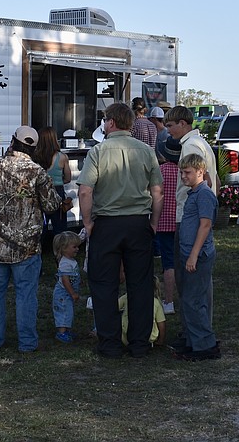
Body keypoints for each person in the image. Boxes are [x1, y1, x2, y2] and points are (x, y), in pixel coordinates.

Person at [77, 102, 163, 359]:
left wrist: (88, 222)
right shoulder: (147, 151)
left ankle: (110, 343)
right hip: (138, 222)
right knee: (141, 285)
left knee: (104, 285)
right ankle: (139, 343)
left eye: (104, 120)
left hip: (107, 223)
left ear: (111, 122)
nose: (104, 125)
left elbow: (85, 190)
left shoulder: (98, 152)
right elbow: (157, 190)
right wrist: (154, 223)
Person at [0, 126, 61, 353]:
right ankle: (27, 344)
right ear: (33, 149)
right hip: (27, 246)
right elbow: (52, 206)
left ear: (12, 142)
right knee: (26, 295)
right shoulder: (37, 172)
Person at [162, 105, 219, 329]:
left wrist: (187, 213)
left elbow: (193, 183)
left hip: (190, 215)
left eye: (170, 126)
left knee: (188, 277)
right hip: (199, 212)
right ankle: (201, 326)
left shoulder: (191, 146)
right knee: (201, 279)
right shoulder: (202, 143)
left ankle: (193, 330)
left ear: (183, 124)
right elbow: (213, 180)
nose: (168, 131)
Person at [171, 153, 220, 361]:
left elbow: (205, 225)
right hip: (190, 253)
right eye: (182, 172)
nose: (183, 176)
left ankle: (205, 345)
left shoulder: (204, 195)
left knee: (194, 300)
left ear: (200, 172)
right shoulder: (194, 193)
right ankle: (194, 341)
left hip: (198, 255)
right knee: (189, 300)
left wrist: (193, 255)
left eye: (188, 172)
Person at [155, 135, 181, 314]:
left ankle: (169, 301)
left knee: (168, 262)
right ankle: (183, 297)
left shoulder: (160, 171)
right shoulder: (185, 171)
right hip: (181, 220)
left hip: (163, 222)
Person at [33, 127, 71, 235]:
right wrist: (58, 181)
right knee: (59, 227)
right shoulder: (62, 157)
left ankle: (38, 249)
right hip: (57, 191)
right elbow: (68, 178)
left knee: (40, 226)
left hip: (40, 192)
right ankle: (61, 250)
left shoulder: (34, 157)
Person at [52, 231, 83, 343]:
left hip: (68, 292)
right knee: (63, 311)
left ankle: (66, 330)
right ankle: (61, 332)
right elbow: (65, 281)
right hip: (63, 293)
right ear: (64, 248)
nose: (77, 249)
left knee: (68, 311)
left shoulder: (71, 261)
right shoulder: (65, 263)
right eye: (74, 247)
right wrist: (73, 293)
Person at [119, 276, 166, 348]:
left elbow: (113, 307)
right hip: (148, 338)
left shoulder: (128, 296)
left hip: (126, 338)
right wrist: (161, 340)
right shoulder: (155, 302)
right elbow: (161, 324)